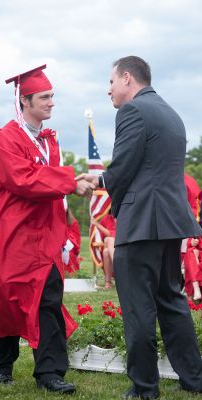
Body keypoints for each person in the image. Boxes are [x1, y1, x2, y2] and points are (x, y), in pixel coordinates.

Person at [76, 56, 202, 399]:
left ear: (128, 78)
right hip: (170, 222)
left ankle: (145, 387)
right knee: (172, 301)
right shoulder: (171, 113)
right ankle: (194, 378)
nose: (109, 90)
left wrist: (100, 179)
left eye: (112, 82)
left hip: (143, 221)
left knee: (138, 308)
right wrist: (105, 177)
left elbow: (125, 166)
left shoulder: (131, 111)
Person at [0, 65, 94, 394]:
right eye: (44, 97)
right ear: (24, 101)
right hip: (10, 237)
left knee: (48, 301)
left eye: (53, 96)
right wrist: (70, 180)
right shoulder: (3, 139)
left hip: (43, 238)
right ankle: (0, 364)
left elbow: (47, 184)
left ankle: (50, 372)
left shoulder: (49, 141)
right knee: (7, 301)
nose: (52, 102)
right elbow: (22, 179)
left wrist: (67, 202)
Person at [91, 211, 116, 289]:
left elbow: (112, 234)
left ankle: (108, 282)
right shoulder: (106, 218)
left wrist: (97, 224)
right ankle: (108, 282)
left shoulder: (125, 216)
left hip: (123, 246)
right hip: (111, 249)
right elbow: (101, 237)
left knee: (109, 240)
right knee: (106, 251)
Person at [63, 208, 81, 274]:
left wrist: (64, 238)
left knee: (68, 253)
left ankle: (69, 272)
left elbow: (76, 238)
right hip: (56, 245)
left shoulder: (73, 222)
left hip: (69, 246)